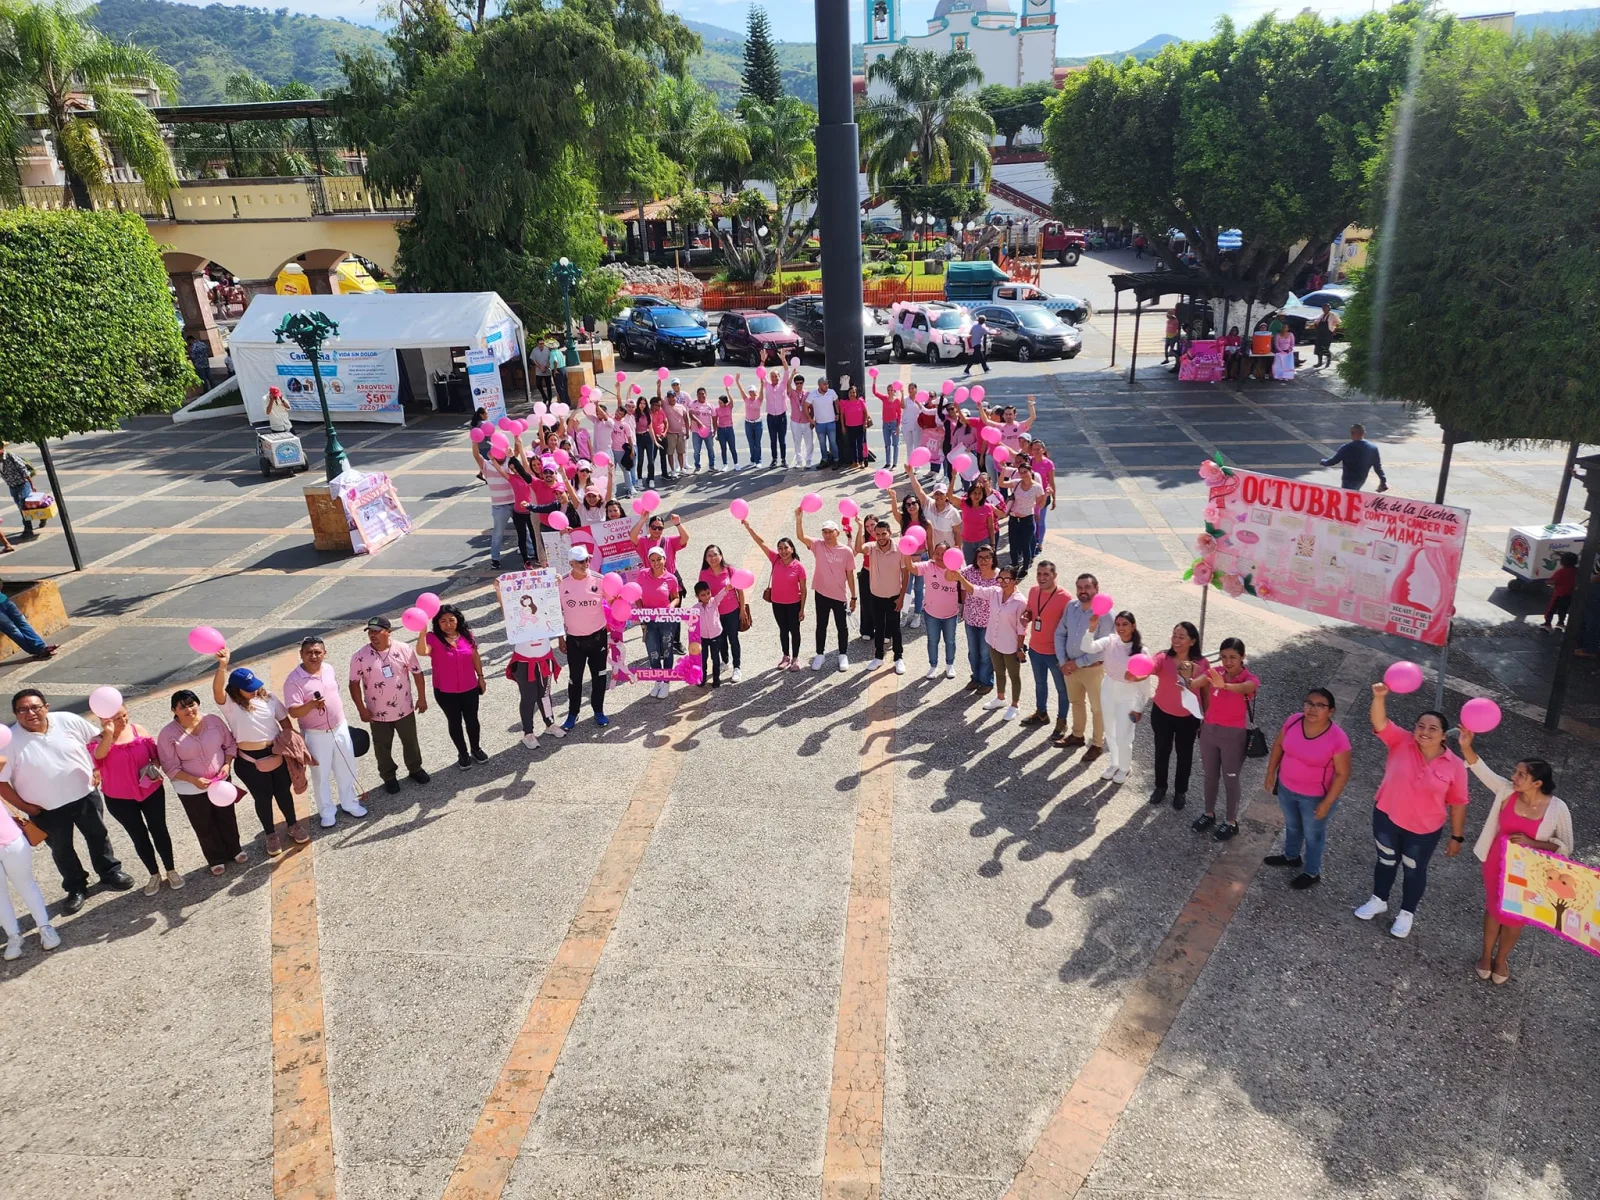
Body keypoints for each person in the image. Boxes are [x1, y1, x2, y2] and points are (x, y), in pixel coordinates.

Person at [1352, 682, 1469, 939]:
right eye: (1420, 726)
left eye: (1433, 728)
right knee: (1385, 861)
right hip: (1386, 818)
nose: (1424, 731)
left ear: (1443, 736)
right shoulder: (1401, 741)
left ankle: (1406, 913)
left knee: (1414, 869)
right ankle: (1378, 899)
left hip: (1423, 831)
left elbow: (1458, 802)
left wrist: (1457, 836)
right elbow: (1379, 721)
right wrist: (1379, 697)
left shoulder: (1455, 766)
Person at [0, 689, 133, 912]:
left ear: (46, 706)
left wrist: (96, 768)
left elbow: (97, 743)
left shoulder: (68, 721)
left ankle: (110, 871)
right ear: (15, 714)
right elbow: (1, 783)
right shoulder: (9, 743)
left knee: (98, 835)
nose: (30, 713)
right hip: (45, 809)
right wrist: (25, 807)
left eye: (35, 707)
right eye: (22, 710)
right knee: (61, 849)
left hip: (84, 795)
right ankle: (76, 887)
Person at [1459, 730, 1572, 984]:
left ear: (1537, 783)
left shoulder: (1557, 809)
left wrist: (1534, 843)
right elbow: (1481, 769)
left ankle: (1501, 960)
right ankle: (1486, 956)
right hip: (1496, 861)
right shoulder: (1507, 791)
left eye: (1521, 774)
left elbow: (1566, 847)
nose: (1513, 777)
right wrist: (1466, 746)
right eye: (1515, 772)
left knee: (1516, 916)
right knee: (1494, 909)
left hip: (1531, 872)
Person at [1262, 687, 1352, 889]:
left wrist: (1327, 803)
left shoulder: (1338, 738)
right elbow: (1278, 746)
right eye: (1309, 703)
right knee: (1292, 826)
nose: (1312, 709)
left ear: (1330, 711)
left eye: (1320, 705)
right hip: (1286, 788)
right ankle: (1291, 856)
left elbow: (1342, 773)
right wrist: (1270, 773)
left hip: (1315, 797)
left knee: (1313, 835)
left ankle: (1312, 872)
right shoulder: (1293, 720)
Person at [212, 656, 304, 853]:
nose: (253, 690)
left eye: (254, 685)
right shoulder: (230, 705)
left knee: (283, 793)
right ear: (236, 690)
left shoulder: (268, 697)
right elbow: (217, 691)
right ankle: (270, 834)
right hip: (249, 760)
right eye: (248, 687)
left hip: (276, 752)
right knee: (262, 798)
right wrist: (222, 666)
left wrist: (293, 743)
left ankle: (292, 824)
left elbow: (284, 722)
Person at [93, 702, 179, 895]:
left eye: (124, 715)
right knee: (138, 836)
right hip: (120, 798)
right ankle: (154, 874)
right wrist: (108, 734)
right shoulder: (98, 740)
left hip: (150, 790)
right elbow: (98, 757)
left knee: (159, 830)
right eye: (116, 718)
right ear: (104, 720)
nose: (122, 721)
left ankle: (171, 869)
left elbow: (155, 755)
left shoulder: (138, 730)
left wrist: (153, 768)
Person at [157, 689, 245, 876]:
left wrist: (227, 765)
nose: (189, 709)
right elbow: (169, 766)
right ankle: (215, 858)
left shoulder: (213, 721)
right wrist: (193, 780)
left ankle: (235, 849)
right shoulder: (167, 734)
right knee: (203, 823)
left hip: (220, 783)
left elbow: (229, 745)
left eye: (191, 704)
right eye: (183, 707)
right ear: (174, 710)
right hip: (190, 788)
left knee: (227, 817)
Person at [283, 637, 366, 826]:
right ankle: (327, 812)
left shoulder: (328, 668)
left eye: (317, 652)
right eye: (309, 652)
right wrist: (311, 705)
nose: (313, 656)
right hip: (315, 734)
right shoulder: (293, 680)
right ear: (301, 654)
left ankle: (350, 803)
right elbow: (293, 711)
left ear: (324, 653)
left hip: (339, 727)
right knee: (321, 775)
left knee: (347, 767)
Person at [349, 616, 430, 796]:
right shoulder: (360, 656)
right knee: (382, 746)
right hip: (377, 713)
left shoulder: (404, 649)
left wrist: (422, 698)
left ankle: (415, 769)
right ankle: (389, 776)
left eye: (377, 631)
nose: (373, 635)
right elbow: (353, 683)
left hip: (405, 708)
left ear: (388, 632)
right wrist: (361, 709)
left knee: (410, 741)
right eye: (370, 632)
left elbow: (417, 674)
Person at [1188, 637, 1259, 840]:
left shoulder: (1249, 679)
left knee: (1231, 779)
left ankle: (1230, 822)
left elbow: (1246, 688)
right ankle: (1208, 813)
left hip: (1233, 735)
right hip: (1209, 731)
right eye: (1224, 657)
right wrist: (1186, 681)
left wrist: (1224, 685)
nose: (1228, 662)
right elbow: (1195, 683)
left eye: (1233, 658)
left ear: (1242, 657)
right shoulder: (1215, 672)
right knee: (1210, 776)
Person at [1079, 610, 1153, 784]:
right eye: (1118, 624)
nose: (1121, 628)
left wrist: (1139, 707)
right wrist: (1091, 629)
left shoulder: (1141, 651)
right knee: (1110, 731)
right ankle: (1114, 763)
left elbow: (1145, 682)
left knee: (1124, 734)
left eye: (1125, 624)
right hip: (1108, 689)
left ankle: (1125, 767)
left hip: (1128, 695)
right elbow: (1087, 647)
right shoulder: (1110, 641)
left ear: (1133, 626)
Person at [1146, 622, 1206, 808]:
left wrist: (1207, 716)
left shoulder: (1201, 663)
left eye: (1181, 637)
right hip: (1162, 714)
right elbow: (1150, 668)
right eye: (1174, 635)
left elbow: (1205, 691)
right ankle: (1160, 787)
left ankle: (1180, 792)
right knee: (1162, 752)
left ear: (1192, 640)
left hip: (1188, 718)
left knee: (1184, 755)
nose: (1176, 640)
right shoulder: (1163, 657)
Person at [955, 565, 1027, 718]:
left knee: (1014, 676)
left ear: (1015, 581)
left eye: (1007, 579)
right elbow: (975, 590)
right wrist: (961, 578)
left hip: (1010, 645)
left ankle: (1015, 705)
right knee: (999, 672)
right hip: (993, 641)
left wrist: (1020, 649)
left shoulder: (1020, 602)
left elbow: (1022, 629)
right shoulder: (994, 592)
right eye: (1000, 578)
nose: (1003, 582)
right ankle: (1000, 698)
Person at [420, 604, 488, 768]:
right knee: (454, 722)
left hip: (469, 687)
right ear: (437, 623)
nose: (448, 624)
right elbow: (422, 651)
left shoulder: (467, 635)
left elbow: (475, 656)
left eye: (451, 620)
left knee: (472, 720)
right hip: (445, 690)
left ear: (458, 620)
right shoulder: (432, 638)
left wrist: (480, 677)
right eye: (443, 621)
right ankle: (462, 754)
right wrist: (421, 631)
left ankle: (476, 749)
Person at [0, 774, 59, 958]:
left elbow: (2, 760)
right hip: (10, 842)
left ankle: (45, 927)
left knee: (25, 885)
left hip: (10, 841)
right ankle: (13, 936)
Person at [1053, 573, 1105, 762]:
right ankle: (1077, 735)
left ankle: (1097, 744)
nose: (1083, 591)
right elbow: (1060, 633)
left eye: (1087, 587)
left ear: (1096, 588)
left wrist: (1076, 663)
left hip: (1092, 668)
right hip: (1069, 667)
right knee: (1076, 702)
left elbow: (1102, 647)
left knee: (1097, 708)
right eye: (1080, 587)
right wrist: (1062, 660)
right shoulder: (1071, 607)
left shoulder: (1105, 614)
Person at [742, 522, 808, 670]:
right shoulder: (775, 559)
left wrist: (802, 609)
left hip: (794, 604)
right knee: (783, 630)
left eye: (786, 548)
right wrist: (749, 527)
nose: (783, 551)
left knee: (794, 630)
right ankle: (785, 656)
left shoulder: (799, 566)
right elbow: (761, 542)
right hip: (777, 603)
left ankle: (796, 658)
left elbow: (803, 590)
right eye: (780, 548)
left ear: (792, 549)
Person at [557, 545, 610, 728]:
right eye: (581, 561)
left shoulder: (600, 580)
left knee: (599, 677)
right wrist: (560, 638)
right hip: (574, 641)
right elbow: (556, 612)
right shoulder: (561, 582)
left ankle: (599, 711)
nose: (585, 563)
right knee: (575, 679)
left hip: (598, 638)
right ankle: (573, 714)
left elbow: (614, 603)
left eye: (587, 559)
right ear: (571, 563)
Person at [797, 512, 856, 672]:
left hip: (839, 595)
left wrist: (854, 596)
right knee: (821, 625)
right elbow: (801, 536)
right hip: (821, 593)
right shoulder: (818, 545)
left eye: (830, 531)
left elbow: (850, 575)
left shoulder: (846, 551)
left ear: (837, 532)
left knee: (841, 626)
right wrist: (799, 519)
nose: (827, 534)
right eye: (825, 531)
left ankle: (843, 655)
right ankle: (820, 654)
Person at [1019, 561, 1071, 734]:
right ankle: (1041, 713)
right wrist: (1027, 615)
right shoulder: (1034, 591)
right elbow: (1031, 611)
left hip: (1056, 653)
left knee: (1062, 689)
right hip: (1035, 649)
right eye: (1039, 574)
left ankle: (1062, 721)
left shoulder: (1066, 598)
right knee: (1040, 683)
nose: (1042, 578)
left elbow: (1070, 628)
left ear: (1055, 576)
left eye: (1046, 574)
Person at [857, 516, 910, 674]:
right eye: (877, 534)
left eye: (883, 534)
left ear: (890, 533)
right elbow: (859, 549)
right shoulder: (872, 547)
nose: (880, 537)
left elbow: (905, 574)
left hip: (894, 597)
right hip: (876, 596)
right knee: (879, 627)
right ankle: (878, 657)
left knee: (895, 629)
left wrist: (901, 597)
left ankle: (898, 658)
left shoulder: (900, 550)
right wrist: (860, 527)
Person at [698, 544, 748, 683]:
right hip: (714, 614)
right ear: (705, 558)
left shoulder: (730, 570)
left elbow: (740, 591)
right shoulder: (704, 573)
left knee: (733, 639)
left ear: (721, 555)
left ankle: (737, 667)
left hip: (732, 611)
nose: (713, 558)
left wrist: (742, 609)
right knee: (720, 640)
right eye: (709, 555)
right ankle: (725, 662)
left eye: (715, 554)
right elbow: (700, 593)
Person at [913, 541, 962, 679]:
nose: (940, 557)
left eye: (943, 553)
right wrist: (907, 553)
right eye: (937, 553)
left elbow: (964, 585)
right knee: (932, 641)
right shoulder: (928, 566)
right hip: (931, 614)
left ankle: (949, 665)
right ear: (933, 554)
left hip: (951, 614)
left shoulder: (956, 567)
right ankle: (933, 666)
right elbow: (911, 568)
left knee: (950, 641)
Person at [638, 546, 682, 697]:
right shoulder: (642, 575)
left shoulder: (671, 578)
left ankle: (666, 683)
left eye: (659, 559)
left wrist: (671, 605)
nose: (656, 563)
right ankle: (658, 681)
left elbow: (676, 597)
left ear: (664, 559)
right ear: (649, 561)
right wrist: (641, 612)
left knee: (667, 650)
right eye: (652, 560)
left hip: (666, 620)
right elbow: (637, 595)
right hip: (649, 620)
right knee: (653, 652)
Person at [506, 637, 563, 748]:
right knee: (528, 698)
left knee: (545, 694)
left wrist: (560, 637)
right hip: (523, 660)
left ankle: (550, 724)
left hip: (545, 656)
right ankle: (528, 733)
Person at [959, 545, 1000, 694]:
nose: (983, 561)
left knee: (985, 654)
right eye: (980, 557)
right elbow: (956, 579)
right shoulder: (969, 571)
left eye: (987, 557)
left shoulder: (999, 576)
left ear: (992, 558)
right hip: (970, 618)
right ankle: (975, 678)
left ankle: (986, 681)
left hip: (988, 622)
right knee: (973, 652)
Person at [1002, 462, 1050, 574]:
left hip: (1027, 519)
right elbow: (1002, 483)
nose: (1023, 475)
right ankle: (1014, 565)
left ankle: (1025, 568)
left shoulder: (1037, 487)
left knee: (1025, 545)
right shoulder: (1016, 483)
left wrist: (1046, 495)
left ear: (1030, 471)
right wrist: (1003, 470)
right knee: (1013, 544)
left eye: (1025, 472)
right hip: (1014, 518)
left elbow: (1040, 505)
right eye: (1021, 472)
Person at [1320, 424, 1388, 492]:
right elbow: (1377, 467)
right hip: (1361, 479)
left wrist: (1323, 462)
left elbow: (1333, 461)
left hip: (1348, 479)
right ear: (1364, 433)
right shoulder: (1373, 448)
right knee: (1354, 493)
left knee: (1347, 497)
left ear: (1352, 433)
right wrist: (1383, 480)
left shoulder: (1346, 448)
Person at [691, 580, 730, 686]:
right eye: (703, 595)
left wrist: (727, 588)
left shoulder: (714, 602)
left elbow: (721, 595)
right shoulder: (695, 608)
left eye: (708, 593)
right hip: (703, 637)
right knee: (703, 659)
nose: (707, 596)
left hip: (716, 636)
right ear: (697, 596)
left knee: (715, 658)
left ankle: (716, 679)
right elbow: (691, 621)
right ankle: (702, 678)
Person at [0, 589, 58, 660]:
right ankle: (39, 650)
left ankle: (41, 648)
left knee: (22, 623)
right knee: (12, 629)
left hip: (5, 601)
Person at [0, 441, 39, 542]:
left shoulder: (11, 456)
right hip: (12, 486)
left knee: (23, 506)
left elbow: (23, 470)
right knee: (22, 506)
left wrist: (31, 484)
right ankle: (41, 517)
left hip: (22, 484)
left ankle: (28, 530)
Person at [956, 474, 1000, 565]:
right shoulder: (964, 503)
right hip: (967, 542)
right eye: (974, 493)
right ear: (970, 494)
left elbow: (991, 527)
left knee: (984, 565)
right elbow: (949, 496)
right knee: (970, 566)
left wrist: (992, 544)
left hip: (983, 541)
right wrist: (953, 477)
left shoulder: (988, 507)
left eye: (979, 493)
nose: (977, 496)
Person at [760, 350, 793, 466]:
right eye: (772, 376)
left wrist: (783, 359)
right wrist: (762, 361)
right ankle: (774, 459)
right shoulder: (767, 385)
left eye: (776, 376)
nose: (774, 378)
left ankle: (783, 460)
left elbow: (787, 371)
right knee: (773, 440)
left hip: (781, 417)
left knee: (782, 440)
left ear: (779, 377)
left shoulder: (783, 385)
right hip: (771, 417)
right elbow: (761, 373)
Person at [733, 372, 764, 467]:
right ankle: (753, 459)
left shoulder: (759, 400)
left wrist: (762, 383)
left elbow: (762, 390)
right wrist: (737, 381)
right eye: (750, 392)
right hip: (748, 423)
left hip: (758, 423)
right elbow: (741, 391)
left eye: (753, 391)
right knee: (751, 443)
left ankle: (758, 461)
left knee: (757, 443)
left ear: (756, 392)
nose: (751, 393)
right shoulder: (746, 399)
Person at [873, 378, 905, 468]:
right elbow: (875, 392)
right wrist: (874, 380)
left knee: (895, 444)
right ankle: (888, 462)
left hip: (894, 424)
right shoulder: (884, 398)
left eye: (892, 390)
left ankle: (894, 463)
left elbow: (899, 414)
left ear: (894, 391)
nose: (890, 391)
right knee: (887, 444)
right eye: (889, 390)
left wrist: (898, 426)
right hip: (885, 424)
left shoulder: (897, 401)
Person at [808, 376, 839, 468]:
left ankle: (836, 460)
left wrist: (837, 413)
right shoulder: (813, 394)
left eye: (827, 384)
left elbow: (837, 401)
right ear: (819, 385)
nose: (827, 386)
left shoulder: (831, 392)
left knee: (833, 442)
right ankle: (824, 459)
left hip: (831, 422)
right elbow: (806, 406)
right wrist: (810, 419)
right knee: (822, 443)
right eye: (824, 384)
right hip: (819, 424)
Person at [1544, 551, 1579, 629]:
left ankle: (1547, 623)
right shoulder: (1576, 571)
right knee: (1563, 610)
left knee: (1551, 609)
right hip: (1569, 594)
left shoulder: (1561, 572)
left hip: (1558, 594)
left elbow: (1553, 581)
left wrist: (1546, 582)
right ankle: (1561, 622)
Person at [838, 385, 871, 468]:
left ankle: (861, 461)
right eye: (850, 393)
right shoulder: (844, 403)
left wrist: (865, 422)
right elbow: (842, 416)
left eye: (853, 392)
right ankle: (854, 462)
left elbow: (865, 413)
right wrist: (843, 426)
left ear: (856, 393)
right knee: (852, 445)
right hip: (849, 427)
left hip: (860, 426)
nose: (852, 394)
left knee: (860, 445)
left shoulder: (860, 402)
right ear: (848, 394)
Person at [687, 387, 718, 473]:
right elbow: (691, 415)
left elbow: (714, 418)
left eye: (703, 394)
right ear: (697, 395)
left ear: (706, 395)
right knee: (697, 450)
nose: (701, 395)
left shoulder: (710, 406)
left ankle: (712, 466)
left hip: (708, 431)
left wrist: (715, 430)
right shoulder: (693, 404)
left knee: (710, 449)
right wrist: (699, 423)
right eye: (699, 394)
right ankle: (697, 466)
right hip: (696, 432)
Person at [790, 372, 816, 468]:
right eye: (797, 383)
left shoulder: (808, 394)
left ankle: (808, 460)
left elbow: (812, 408)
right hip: (795, 421)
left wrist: (812, 420)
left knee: (809, 442)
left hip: (806, 421)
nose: (799, 385)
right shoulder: (792, 393)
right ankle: (799, 461)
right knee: (797, 442)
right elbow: (787, 386)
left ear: (803, 383)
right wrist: (792, 375)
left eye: (801, 383)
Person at [1309, 303, 1338, 368]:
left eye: (1325, 308)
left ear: (1329, 308)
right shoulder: (1321, 316)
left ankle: (1328, 360)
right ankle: (1319, 362)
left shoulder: (1332, 315)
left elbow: (1338, 323)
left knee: (1325, 348)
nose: (1324, 309)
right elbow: (1316, 323)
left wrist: (1334, 330)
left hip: (1327, 334)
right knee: (1318, 348)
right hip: (1320, 334)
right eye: (1323, 308)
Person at [714, 392, 738, 468]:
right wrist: (717, 433)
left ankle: (736, 464)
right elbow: (715, 421)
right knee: (723, 448)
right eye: (719, 402)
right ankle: (725, 464)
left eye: (721, 403)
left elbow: (732, 400)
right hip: (721, 430)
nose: (719, 404)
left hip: (729, 429)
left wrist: (728, 391)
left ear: (725, 402)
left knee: (732, 448)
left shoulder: (729, 407)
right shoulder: (717, 409)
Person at [531, 339, 555, 404]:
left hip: (547, 370)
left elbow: (551, 359)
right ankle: (544, 397)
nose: (541, 345)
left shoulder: (547, 350)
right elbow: (533, 360)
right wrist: (539, 367)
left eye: (542, 343)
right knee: (538, 385)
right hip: (539, 371)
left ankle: (550, 400)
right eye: (540, 344)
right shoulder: (534, 350)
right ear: (537, 344)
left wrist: (546, 367)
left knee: (548, 386)